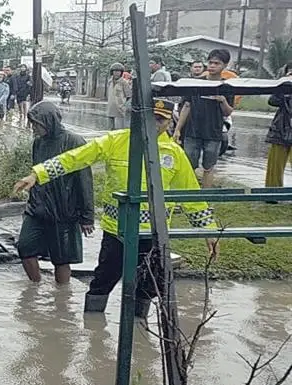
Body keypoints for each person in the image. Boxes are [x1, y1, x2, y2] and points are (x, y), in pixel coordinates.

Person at [13, 98, 219, 319]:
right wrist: (38, 174)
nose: (154, 124)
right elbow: (75, 158)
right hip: (117, 232)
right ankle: (92, 328)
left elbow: (190, 196)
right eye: (149, 118)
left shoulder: (174, 155)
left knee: (148, 285)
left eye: (161, 120)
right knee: (103, 280)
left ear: (170, 123)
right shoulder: (116, 141)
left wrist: (209, 230)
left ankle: (139, 329)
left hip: (153, 233)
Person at [17, 102, 95, 284]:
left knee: (61, 258)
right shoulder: (38, 143)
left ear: (49, 121)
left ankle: (62, 297)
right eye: (32, 124)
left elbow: (84, 181)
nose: (34, 128)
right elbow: (37, 173)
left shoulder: (74, 142)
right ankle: (35, 288)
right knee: (24, 247)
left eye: (37, 124)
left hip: (64, 210)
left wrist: (87, 216)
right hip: (37, 208)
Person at [173, 49, 236, 188]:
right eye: (210, 62)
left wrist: (223, 101)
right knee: (189, 164)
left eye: (217, 63)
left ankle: (205, 197)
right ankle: (187, 195)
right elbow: (186, 106)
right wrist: (178, 129)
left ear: (224, 66)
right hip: (193, 131)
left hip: (213, 132)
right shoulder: (195, 83)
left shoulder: (227, 87)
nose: (212, 66)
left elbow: (228, 112)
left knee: (209, 166)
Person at [265, 63, 292, 188]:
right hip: (280, 128)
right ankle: (272, 193)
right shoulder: (282, 87)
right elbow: (273, 101)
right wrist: (284, 85)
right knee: (275, 165)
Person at [106, 62, 132, 130]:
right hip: (110, 109)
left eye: (118, 71)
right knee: (110, 130)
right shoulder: (109, 82)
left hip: (120, 111)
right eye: (115, 71)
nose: (116, 73)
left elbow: (129, 96)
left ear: (121, 72)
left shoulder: (124, 83)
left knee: (118, 131)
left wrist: (125, 107)